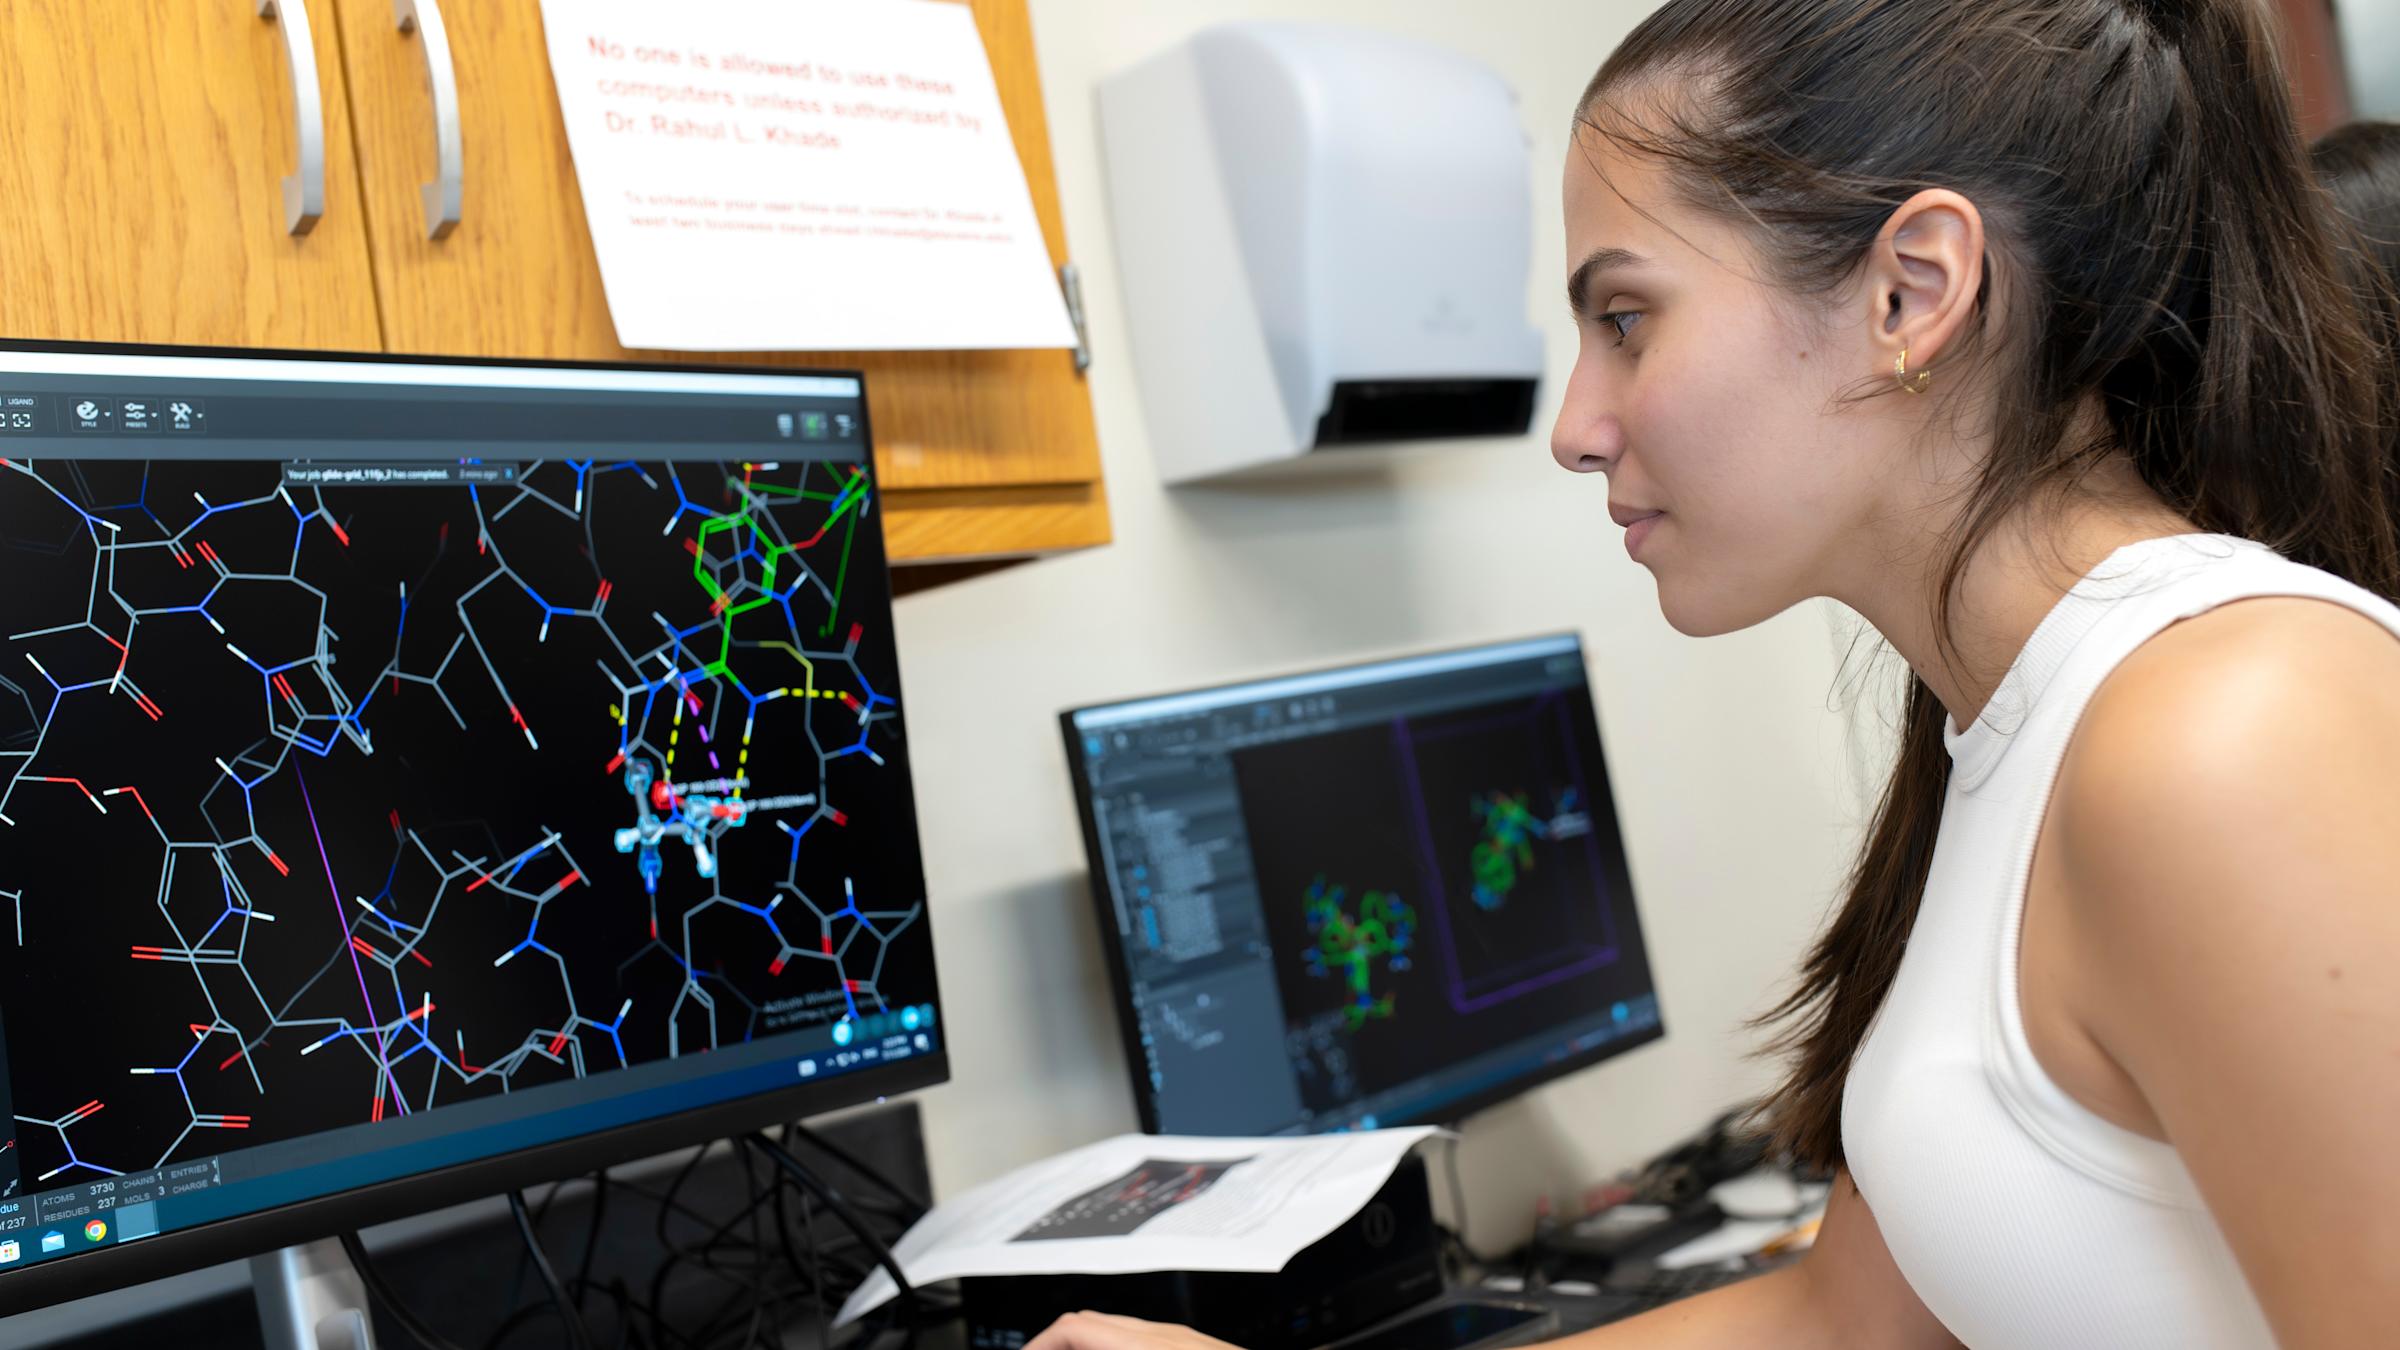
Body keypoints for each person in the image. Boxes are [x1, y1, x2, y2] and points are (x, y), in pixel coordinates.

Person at [1029, 1, 2400, 1347]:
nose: (1574, 426)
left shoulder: (2227, 733)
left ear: (1911, 292)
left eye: (1626, 315)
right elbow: (1844, 1317)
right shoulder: (2007, 730)